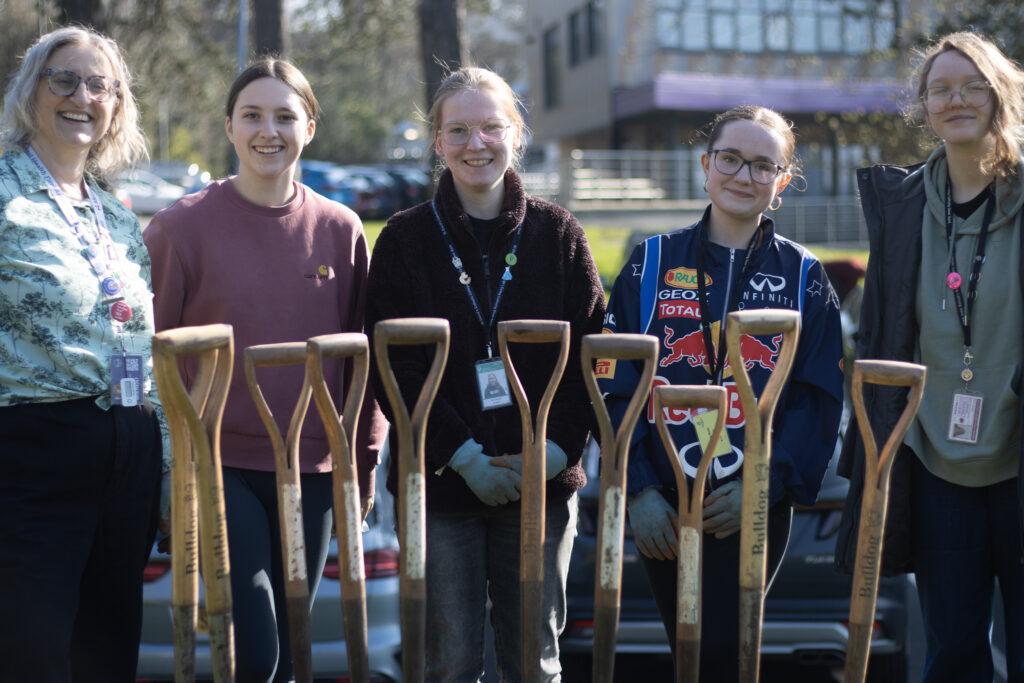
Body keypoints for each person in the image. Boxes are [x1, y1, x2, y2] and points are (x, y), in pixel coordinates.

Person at [144, 58, 387, 683]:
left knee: (293, 648)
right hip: (218, 464)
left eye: (285, 116)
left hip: (312, 465)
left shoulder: (340, 230)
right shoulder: (180, 228)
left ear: (310, 127)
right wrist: (168, 477)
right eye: (252, 115)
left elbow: (362, 361)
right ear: (229, 126)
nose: (267, 131)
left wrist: (361, 466)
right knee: (256, 653)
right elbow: (151, 359)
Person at [364, 66, 605, 682]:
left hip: (541, 489)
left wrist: (553, 451)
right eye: (459, 129)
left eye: (491, 127)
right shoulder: (405, 238)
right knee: (449, 665)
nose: (477, 144)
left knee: (535, 664)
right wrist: (462, 455)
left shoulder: (558, 235)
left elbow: (592, 356)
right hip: (442, 490)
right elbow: (397, 365)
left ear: (515, 133)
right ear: (438, 142)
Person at [599, 105, 844, 681]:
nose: (743, 176)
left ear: (782, 182)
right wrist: (638, 490)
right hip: (663, 499)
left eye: (764, 166)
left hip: (752, 504)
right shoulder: (650, 263)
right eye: (731, 159)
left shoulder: (805, 276)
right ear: (706, 166)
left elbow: (818, 398)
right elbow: (614, 382)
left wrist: (764, 487)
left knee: (730, 656)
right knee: (688, 650)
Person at [835, 31, 1024, 682]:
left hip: (1018, 450)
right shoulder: (904, 203)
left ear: (1002, 96)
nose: (957, 99)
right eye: (940, 89)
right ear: (923, 106)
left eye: (974, 85)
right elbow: (883, 332)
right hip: (935, 454)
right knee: (952, 653)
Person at [0, 26, 163, 682]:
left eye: (100, 85)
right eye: (63, 79)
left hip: (128, 452)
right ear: (29, 91)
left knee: (106, 645)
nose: (82, 96)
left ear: (116, 107)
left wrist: (167, 463)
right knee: (33, 648)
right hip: (35, 449)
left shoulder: (117, 214)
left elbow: (144, 346)